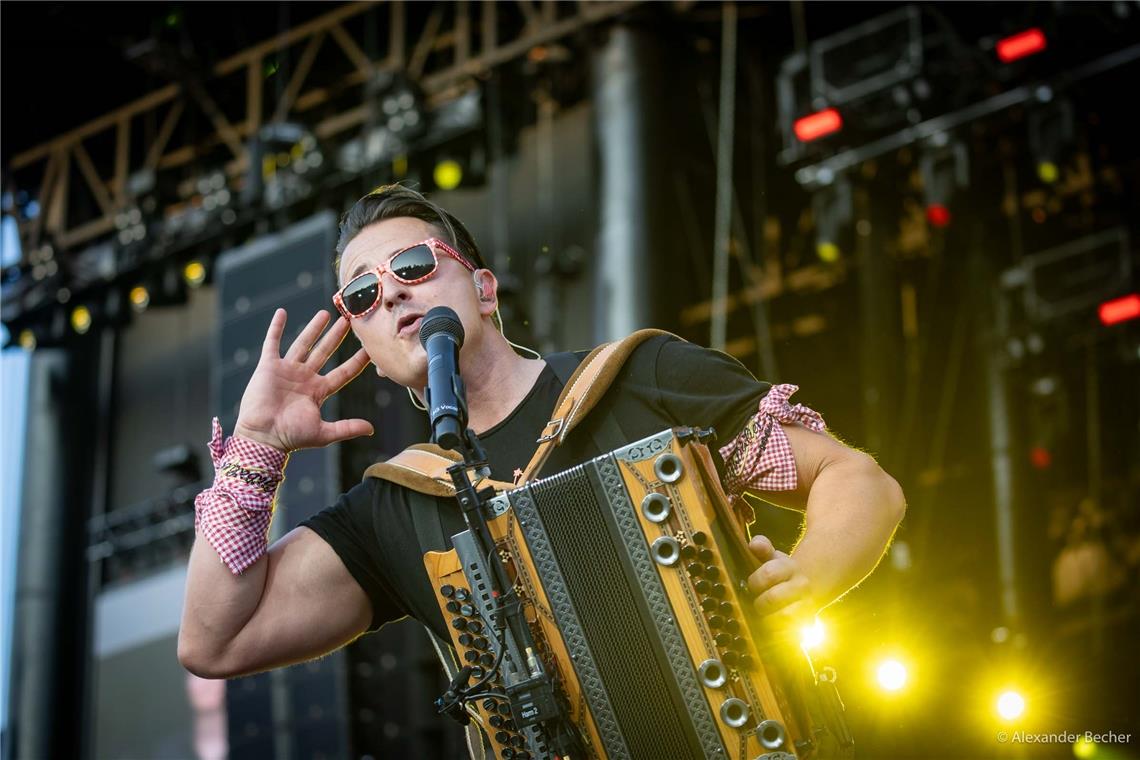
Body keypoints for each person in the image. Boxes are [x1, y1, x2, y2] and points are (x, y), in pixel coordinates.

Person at [178, 185, 906, 698]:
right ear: (362, 336)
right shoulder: (393, 511)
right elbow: (214, 642)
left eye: (411, 266)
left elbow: (856, 479)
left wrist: (810, 578)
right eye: (362, 295)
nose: (391, 293)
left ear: (485, 289)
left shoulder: (639, 379)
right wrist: (257, 446)